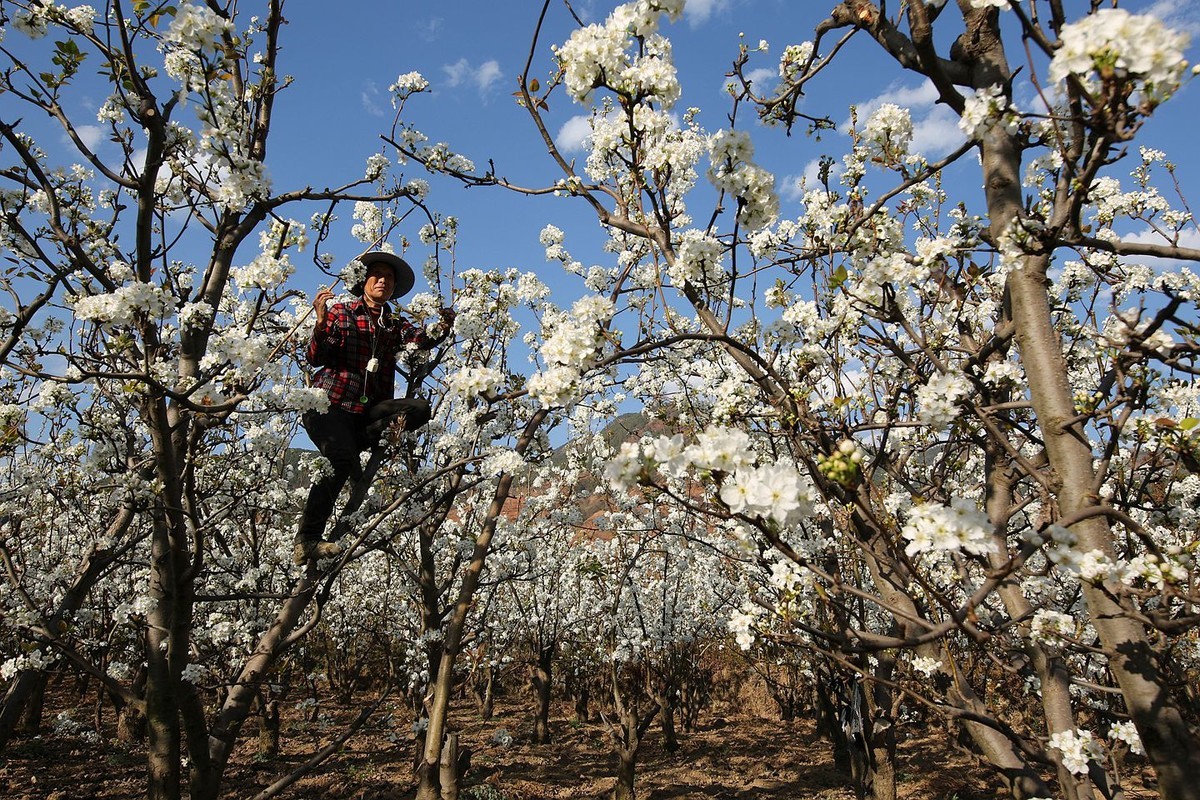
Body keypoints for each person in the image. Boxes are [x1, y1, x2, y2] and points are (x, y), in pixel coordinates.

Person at [293, 250, 454, 564]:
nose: (383, 281)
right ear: (363, 281)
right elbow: (315, 358)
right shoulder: (342, 312)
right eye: (377, 275)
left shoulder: (393, 322)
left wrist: (443, 326)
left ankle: (357, 447)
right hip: (330, 405)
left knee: (420, 409)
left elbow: (420, 339)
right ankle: (308, 539)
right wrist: (321, 323)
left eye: (389, 277)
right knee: (339, 460)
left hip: (366, 413)